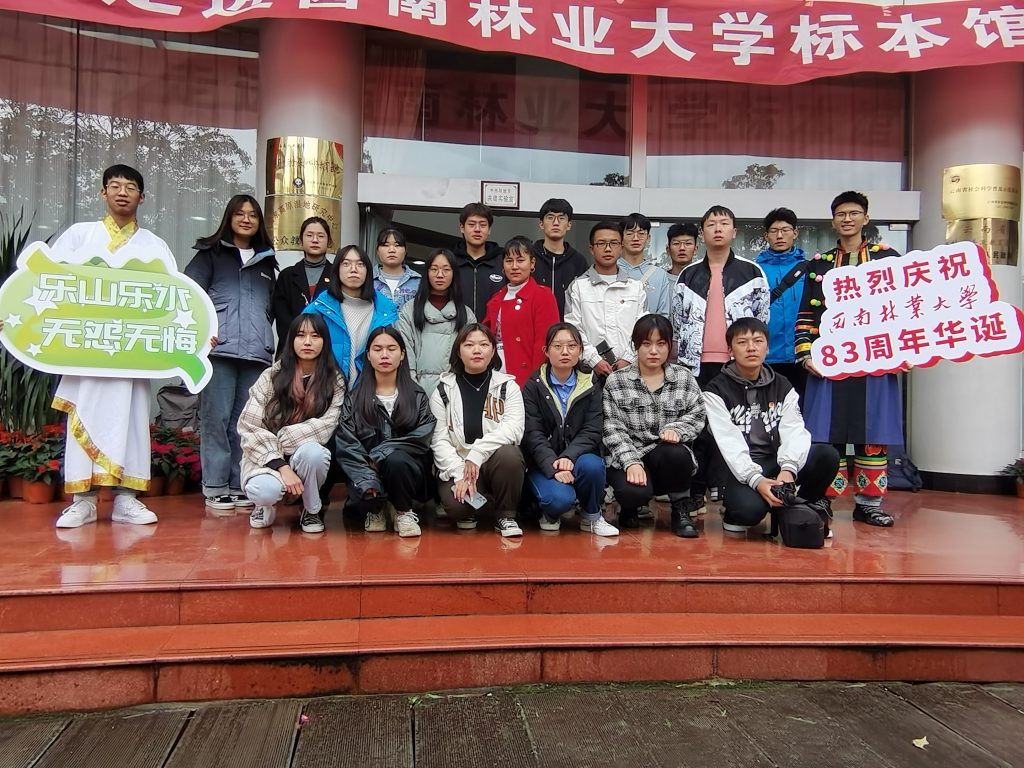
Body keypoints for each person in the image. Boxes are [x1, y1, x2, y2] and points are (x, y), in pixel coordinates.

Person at [46, 164, 173, 528]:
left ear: (141, 197)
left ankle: (127, 500)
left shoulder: (154, 246)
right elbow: (47, 283)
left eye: (130, 187)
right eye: (115, 186)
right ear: (103, 192)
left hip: (131, 356)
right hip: (87, 353)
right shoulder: (79, 236)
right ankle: (82, 502)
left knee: (131, 423)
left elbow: (173, 300)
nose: (122, 192)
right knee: (83, 417)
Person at [795, 191, 905, 527]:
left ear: (865, 218)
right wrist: (805, 354)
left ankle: (869, 504)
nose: (847, 219)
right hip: (829, 362)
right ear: (833, 220)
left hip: (876, 361)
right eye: (841, 214)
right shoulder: (820, 264)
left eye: (854, 213)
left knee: (873, 435)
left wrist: (906, 350)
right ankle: (823, 498)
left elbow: (906, 310)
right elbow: (806, 315)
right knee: (826, 434)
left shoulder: (888, 259)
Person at [672, 205, 770, 516]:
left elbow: (761, 319)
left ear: (734, 231)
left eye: (724, 223)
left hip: (736, 365)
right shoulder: (689, 274)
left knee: (737, 426)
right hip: (696, 364)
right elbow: (677, 320)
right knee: (698, 427)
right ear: (702, 233)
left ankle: (730, 490)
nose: (717, 228)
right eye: (711, 224)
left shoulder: (752, 272)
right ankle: (696, 491)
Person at [703, 318, 840, 533]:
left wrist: (788, 469)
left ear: (767, 347)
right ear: (730, 350)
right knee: (747, 512)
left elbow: (794, 430)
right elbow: (728, 441)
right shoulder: (715, 390)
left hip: (777, 460)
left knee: (826, 455)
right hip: (740, 467)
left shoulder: (783, 385)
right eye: (742, 342)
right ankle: (739, 508)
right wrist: (756, 480)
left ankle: (799, 507)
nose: (751, 348)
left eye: (758, 341)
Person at [185, 194, 277, 511]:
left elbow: (270, 309)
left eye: (253, 215)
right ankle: (215, 486)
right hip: (219, 352)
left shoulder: (267, 262)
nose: (246, 219)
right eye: (240, 213)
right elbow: (189, 297)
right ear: (230, 217)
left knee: (246, 423)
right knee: (216, 418)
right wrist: (200, 336)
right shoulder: (210, 255)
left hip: (256, 355)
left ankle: (241, 483)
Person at [238, 314, 346, 533]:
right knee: (265, 491)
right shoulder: (271, 376)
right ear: (291, 340)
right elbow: (249, 426)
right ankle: (263, 506)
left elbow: (327, 425)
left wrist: (284, 438)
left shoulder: (334, 380)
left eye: (315, 336)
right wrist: (281, 464)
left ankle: (311, 509)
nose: (307, 342)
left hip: (301, 454)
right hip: (267, 456)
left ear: (324, 341)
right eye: (301, 335)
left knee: (314, 454)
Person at [603, 315, 706, 537]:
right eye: (646, 344)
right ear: (635, 345)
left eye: (661, 344)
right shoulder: (616, 381)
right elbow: (612, 429)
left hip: (665, 456)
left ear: (669, 346)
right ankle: (629, 507)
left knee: (676, 454)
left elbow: (698, 414)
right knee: (632, 493)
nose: (653, 351)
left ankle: (680, 509)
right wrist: (631, 462)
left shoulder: (684, 378)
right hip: (631, 455)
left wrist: (677, 430)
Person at [335, 326, 436, 537]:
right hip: (365, 475)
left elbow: (423, 437)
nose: (384, 355)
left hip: (406, 476)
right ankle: (377, 509)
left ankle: (403, 511)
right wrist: (368, 480)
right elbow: (347, 445)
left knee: (397, 460)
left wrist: (382, 453)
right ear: (368, 355)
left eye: (391, 348)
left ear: (402, 355)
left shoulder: (417, 396)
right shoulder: (354, 399)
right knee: (363, 496)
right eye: (377, 349)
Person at [431, 323, 526, 538]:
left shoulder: (508, 386)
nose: (477, 350)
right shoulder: (443, 389)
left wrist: (478, 452)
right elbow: (439, 440)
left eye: (484, 345)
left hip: (494, 463)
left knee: (510, 455)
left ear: (493, 351)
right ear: (458, 351)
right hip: (460, 464)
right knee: (457, 508)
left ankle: (506, 515)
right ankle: (480, 504)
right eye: (469, 345)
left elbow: (514, 429)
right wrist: (459, 473)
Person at [522, 323, 617, 536]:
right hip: (543, 463)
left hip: (578, 458)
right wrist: (554, 465)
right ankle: (549, 513)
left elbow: (592, 429)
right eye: (558, 346)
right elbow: (533, 434)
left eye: (572, 346)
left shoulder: (591, 383)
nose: (565, 352)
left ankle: (592, 517)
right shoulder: (533, 386)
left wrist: (568, 457)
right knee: (558, 499)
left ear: (580, 350)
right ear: (546, 351)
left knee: (593, 466)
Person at [303, 244, 398, 388]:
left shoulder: (385, 310)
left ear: (368, 271)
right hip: (325, 390)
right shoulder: (319, 308)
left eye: (360, 264)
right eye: (346, 264)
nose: (354, 269)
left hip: (370, 392)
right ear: (337, 270)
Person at [563, 221, 648, 378]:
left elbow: (643, 329)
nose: (608, 249)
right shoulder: (578, 287)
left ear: (621, 247)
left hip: (631, 371)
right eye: (601, 243)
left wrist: (628, 358)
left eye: (614, 243)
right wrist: (594, 360)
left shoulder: (636, 287)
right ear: (591, 249)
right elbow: (572, 329)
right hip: (587, 373)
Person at [395, 248, 476, 396]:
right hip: (417, 390)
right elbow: (405, 351)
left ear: (454, 274)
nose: (440, 275)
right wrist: (413, 390)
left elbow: (472, 356)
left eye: (446, 269)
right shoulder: (410, 310)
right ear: (426, 273)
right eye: (434, 269)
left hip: (457, 391)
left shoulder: (466, 314)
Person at [482, 236, 560, 387]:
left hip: (527, 378)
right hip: (495, 375)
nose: (514, 266)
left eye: (520, 260)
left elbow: (545, 344)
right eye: (509, 261)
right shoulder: (496, 299)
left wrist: (536, 383)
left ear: (532, 263)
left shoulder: (542, 295)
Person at [755, 208, 808, 399]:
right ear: (766, 236)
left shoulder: (809, 268)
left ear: (795, 233)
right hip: (767, 356)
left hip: (802, 355)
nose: (779, 236)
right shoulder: (755, 270)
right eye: (774, 231)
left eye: (785, 230)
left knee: (803, 408)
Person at [272, 216, 333, 357]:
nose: (315, 240)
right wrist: (298, 340)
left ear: (329, 241)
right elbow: (282, 319)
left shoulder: (337, 275)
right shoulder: (287, 276)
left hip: (327, 352)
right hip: (290, 350)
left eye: (321, 236)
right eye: (309, 235)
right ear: (301, 240)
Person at [530, 198, 588, 317]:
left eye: (561, 218)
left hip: (568, 326)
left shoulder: (578, 261)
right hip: (533, 324)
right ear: (541, 224)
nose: (556, 223)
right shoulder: (529, 257)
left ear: (569, 225)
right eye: (550, 217)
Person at [453, 202, 505, 319]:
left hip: (494, 329)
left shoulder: (503, 262)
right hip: (458, 329)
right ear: (462, 227)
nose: (477, 229)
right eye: (471, 224)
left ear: (489, 229)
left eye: (483, 225)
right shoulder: (450, 263)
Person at [618, 212, 672, 316]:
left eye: (641, 233)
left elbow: (663, 315)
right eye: (629, 233)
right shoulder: (611, 270)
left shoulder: (659, 275)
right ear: (621, 238)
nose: (635, 238)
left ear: (648, 238)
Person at [372, 228, 420, 310]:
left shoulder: (418, 281)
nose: (391, 250)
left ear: (405, 250)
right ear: (377, 250)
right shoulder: (367, 280)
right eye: (386, 245)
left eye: (397, 245)